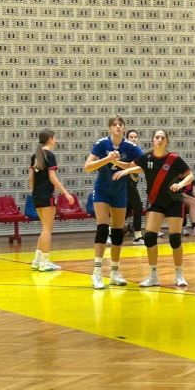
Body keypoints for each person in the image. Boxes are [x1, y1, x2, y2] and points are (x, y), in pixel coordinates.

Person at [114, 129, 194, 288]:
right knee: (150, 237)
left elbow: (190, 176)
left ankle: (179, 275)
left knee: (175, 239)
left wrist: (180, 184)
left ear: (167, 141)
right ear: (153, 140)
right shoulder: (146, 157)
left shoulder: (174, 159)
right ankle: (153, 276)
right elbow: (132, 166)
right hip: (156, 202)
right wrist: (115, 163)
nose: (159, 140)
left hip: (174, 202)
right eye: (157, 137)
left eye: (162, 137)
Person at [84, 116, 142, 289]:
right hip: (102, 190)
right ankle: (97, 273)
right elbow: (87, 167)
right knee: (103, 228)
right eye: (114, 125)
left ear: (124, 128)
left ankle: (115, 272)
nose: (117, 127)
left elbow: (142, 167)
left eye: (120, 124)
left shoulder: (130, 147)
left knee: (117, 232)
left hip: (120, 192)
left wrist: (121, 165)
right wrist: (108, 159)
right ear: (109, 128)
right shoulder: (102, 144)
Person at [29, 129, 75, 272]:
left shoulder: (35, 156)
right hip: (46, 196)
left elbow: (30, 178)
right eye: (54, 138)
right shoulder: (50, 155)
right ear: (50, 139)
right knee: (47, 230)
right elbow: (53, 178)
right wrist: (66, 194)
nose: (56, 140)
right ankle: (45, 262)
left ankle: (37, 261)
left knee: (44, 229)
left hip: (36, 195)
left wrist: (35, 192)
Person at [124, 129, 145, 245]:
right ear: (127, 139)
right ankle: (138, 235)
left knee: (126, 210)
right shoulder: (124, 152)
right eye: (131, 137)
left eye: (135, 137)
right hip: (125, 183)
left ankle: (111, 232)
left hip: (132, 184)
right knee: (138, 206)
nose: (133, 139)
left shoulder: (138, 152)